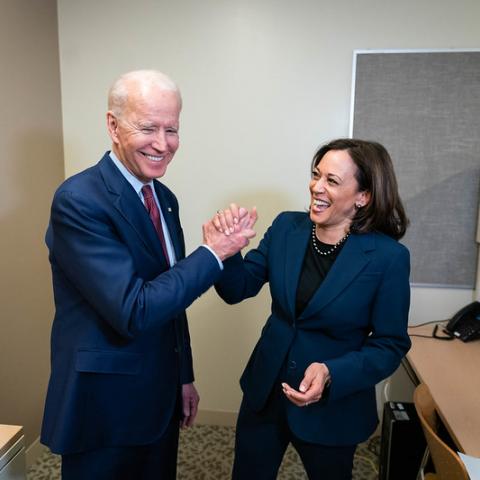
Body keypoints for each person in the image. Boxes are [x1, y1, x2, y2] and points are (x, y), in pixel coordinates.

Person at [40, 70, 256, 480]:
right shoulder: (78, 200)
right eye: (148, 128)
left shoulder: (164, 197)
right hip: (104, 405)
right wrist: (213, 252)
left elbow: (170, 299)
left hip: (158, 396)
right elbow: (135, 308)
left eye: (171, 129)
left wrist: (183, 376)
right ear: (113, 126)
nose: (162, 144)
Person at [212, 138, 411, 479]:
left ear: (363, 196)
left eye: (332, 181)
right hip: (266, 393)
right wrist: (226, 252)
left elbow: (390, 345)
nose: (316, 187)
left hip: (333, 407)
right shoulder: (287, 228)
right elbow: (237, 289)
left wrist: (333, 372)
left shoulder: (387, 258)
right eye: (316, 175)